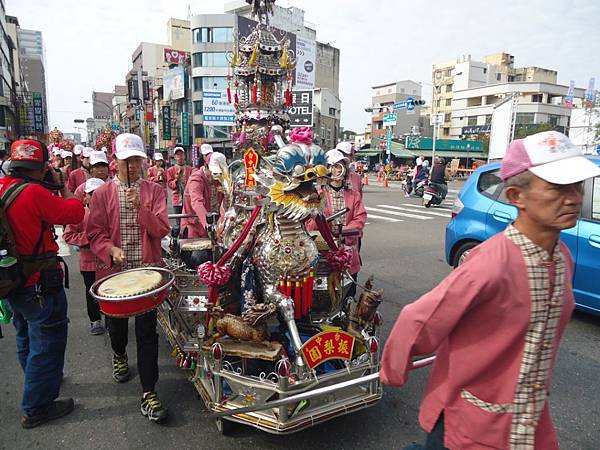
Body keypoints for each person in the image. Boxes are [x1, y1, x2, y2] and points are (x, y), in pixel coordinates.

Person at [380, 131, 600, 450]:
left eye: (576, 186)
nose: (574, 198)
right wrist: (393, 371)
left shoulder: (562, 257)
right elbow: (419, 319)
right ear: (516, 196)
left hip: (529, 419)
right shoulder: (492, 262)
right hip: (473, 423)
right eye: (557, 188)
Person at [0, 139, 84, 428]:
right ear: (38, 167)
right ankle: (36, 407)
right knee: (46, 343)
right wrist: (60, 185)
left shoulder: (3, 188)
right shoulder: (34, 192)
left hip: (10, 280)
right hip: (38, 282)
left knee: (25, 334)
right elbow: (74, 213)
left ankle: (35, 382)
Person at [87, 133, 170, 423]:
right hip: (115, 275)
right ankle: (119, 354)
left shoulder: (154, 192)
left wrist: (141, 209)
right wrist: (110, 249)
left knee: (147, 333)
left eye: (137, 160)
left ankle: (149, 391)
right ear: (115, 162)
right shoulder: (101, 194)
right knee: (117, 327)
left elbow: (161, 230)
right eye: (127, 161)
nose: (133, 166)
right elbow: (94, 233)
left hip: (147, 273)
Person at [310, 149, 366, 299]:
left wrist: (345, 231)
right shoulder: (317, 194)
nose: (335, 171)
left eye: (339, 166)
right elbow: (309, 223)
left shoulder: (353, 194)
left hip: (348, 251)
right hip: (323, 253)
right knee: (323, 293)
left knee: (348, 292)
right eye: (331, 166)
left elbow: (360, 218)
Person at [63, 177, 106, 335]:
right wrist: (86, 239)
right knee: (91, 291)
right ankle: (95, 320)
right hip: (88, 263)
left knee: (108, 291)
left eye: (98, 194)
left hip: (108, 262)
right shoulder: (80, 215)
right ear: (85, 197)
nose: (94, 197)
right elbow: (68, 235)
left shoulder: (111, 213)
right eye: (91, 194)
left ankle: (110, 317)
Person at [181, 152, 225, 239]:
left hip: (215, 225)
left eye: (219, 173)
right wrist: (208, 227)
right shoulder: (196, 179)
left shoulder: (219, 180)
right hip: (195, 227)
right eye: (214, 173)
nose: (216, 176)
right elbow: (197, 202)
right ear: (206, 166)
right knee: (200, 252)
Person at [166, 146, 192, 236]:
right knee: (178, 222)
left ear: (184, 156)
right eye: (178, 155)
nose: (180, 157)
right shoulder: (170, 170)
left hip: (188, 200)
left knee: (189, 221)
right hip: (177, 200)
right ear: (175, 157)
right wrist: (176, 179)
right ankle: (179, 240)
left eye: (182, 155)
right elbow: (170, 185)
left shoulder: (190, 169)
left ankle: (187, 237)